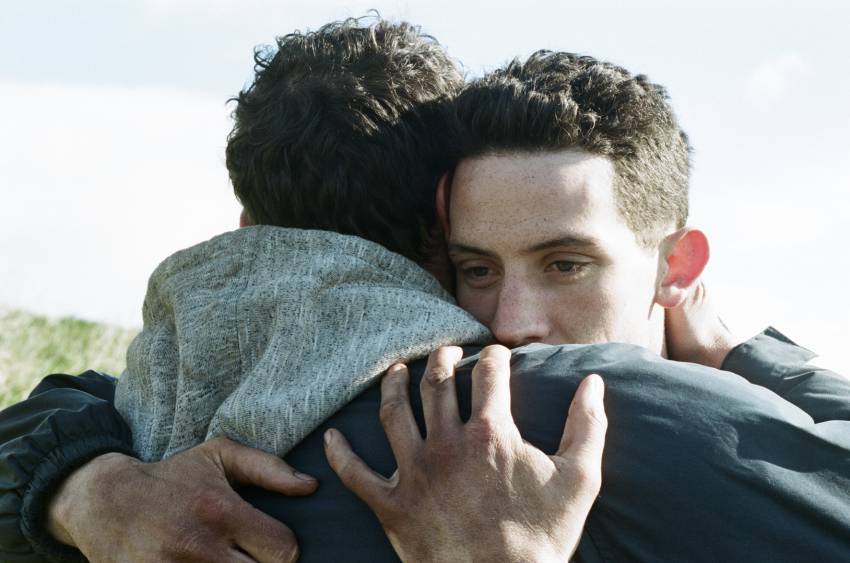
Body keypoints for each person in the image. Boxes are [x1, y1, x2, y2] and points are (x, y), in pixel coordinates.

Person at [2, 19, 850, 563]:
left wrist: (80, 487)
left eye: (565, 264)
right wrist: (750, 355)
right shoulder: (611, 415)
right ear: (434, 238)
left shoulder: (148, 428)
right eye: (477, 268)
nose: (512, 324)